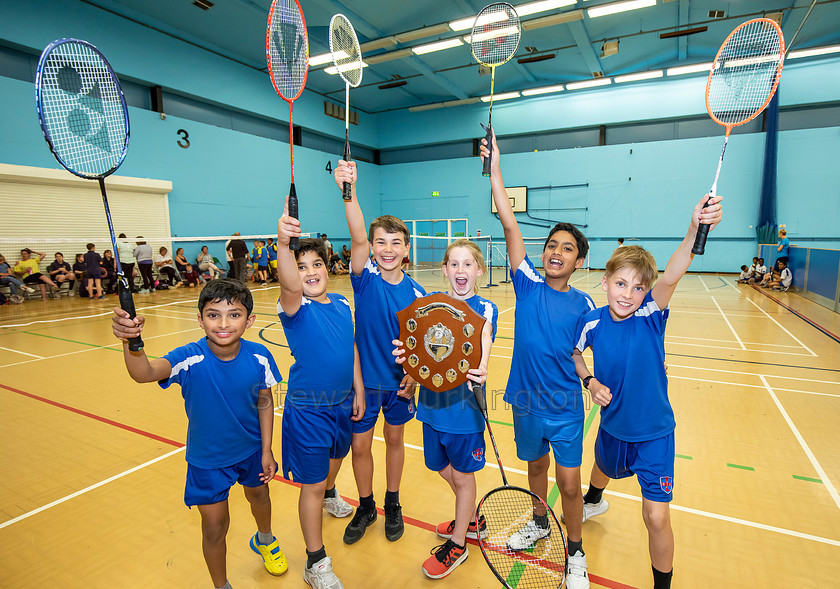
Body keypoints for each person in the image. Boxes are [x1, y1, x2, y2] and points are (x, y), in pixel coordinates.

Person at [573, 194, 723, 589]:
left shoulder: (650, 315)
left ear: (646, 293)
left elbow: (673, 272)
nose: (627, 294)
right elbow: (575, 355)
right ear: (604, 282)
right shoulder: (591, 322)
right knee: (602, 467)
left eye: (638, 288)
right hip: (613, 426)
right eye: (620, 283)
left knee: (656, 517)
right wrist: (589, 381)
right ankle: (593, 500)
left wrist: (695, 227)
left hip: (655, 434)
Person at [111, 279, 287, 589]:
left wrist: (267, 449)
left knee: (260, 496)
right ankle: (221, 585)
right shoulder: (188, 357)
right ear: (199, 319)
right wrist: (130, 341)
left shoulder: (260, 357)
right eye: (213, 314)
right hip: (207, 461)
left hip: (251, 452)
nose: (223, 323)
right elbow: (144, 373)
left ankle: (265, 539)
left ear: (250, 321)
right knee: (215, 528)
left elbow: (264, 401)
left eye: (234, 314)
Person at [481, 131, 594, 589]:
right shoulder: (526, 283)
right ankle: (539, 522)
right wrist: (496, 171)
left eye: (567, 248)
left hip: (566, 408)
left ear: (579, 261)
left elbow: (588, 353)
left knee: (569, 485)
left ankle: (576, 551)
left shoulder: (587, 306)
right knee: (535, 468)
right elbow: (510, 225)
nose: (555, 251)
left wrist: (595, 380)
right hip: (525, 401)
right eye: (552, 244)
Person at [393, 239, 498, 579]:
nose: (460, 271)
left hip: (464, 413)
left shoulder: (484, 309)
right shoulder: (428, 309)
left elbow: (482, 350)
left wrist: (481, 369)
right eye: (454, 264)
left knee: (464, 478)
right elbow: (419, 352)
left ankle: (458, 544)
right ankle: (471, 518)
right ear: (444, 270)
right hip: (431, 409)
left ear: (478, 270)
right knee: (440, 467)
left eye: (468, 264)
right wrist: (408, 361)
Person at [335, 159, 427, 546]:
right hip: (362, 384)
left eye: (396, 243)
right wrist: (349, 190)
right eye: (380, 242)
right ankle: (367, 504)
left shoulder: (420, 295)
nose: (387, 249)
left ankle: (393, 503)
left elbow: (424, 350)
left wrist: (415, 374)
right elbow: (355, 235)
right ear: (372, 248)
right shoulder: (364, 278)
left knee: (394, 441)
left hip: (399, 386)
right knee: (359, 445)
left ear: (406, 249)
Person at [276, 202, 365, 588]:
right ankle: (316, 562)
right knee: (309, 485)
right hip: (309, 411)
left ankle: (330, 491)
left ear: (329, 268)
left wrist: (358, 391)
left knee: (337, 456)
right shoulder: (295, 307)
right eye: (301, 266)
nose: (309, 273)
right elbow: (289, 284)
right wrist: (284, 243)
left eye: (317, 264)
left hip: (344, 404)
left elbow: (352, 348)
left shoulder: (343, 303)